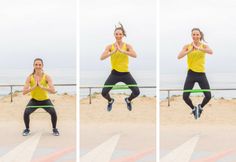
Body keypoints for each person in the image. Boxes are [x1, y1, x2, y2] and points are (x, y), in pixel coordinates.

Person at [100, 23, 140, 111]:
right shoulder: (110, 46)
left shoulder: (127, 46)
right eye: (116, 34)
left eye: (120, 34)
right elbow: (101, 58)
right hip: (114, 73)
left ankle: (128, 100)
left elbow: (135, 55)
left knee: (137, 92)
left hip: (125, 74)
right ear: (114, 35)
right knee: (104, 93)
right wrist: (112, 52)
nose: (118, 35)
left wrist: (122, 51)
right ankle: (110, 101)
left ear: (123, 35)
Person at [178, 28, 213, 119]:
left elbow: (211, 52)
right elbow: (179, 56)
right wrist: (189, 50)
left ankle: (200, 107)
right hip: (191, 74)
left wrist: (198, 48)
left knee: (208, 96)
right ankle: (194, 109)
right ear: (191, 36)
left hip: (201, 74)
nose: (195, 36)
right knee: (185, 96)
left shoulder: (204, 46)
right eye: (194, 34)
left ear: (200, 35)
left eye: (197, 34)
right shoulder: (187, 46)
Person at [22, 58, 59, 136]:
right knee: (26, 113)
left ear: (42, 66)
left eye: (39, 65)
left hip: (45, 100)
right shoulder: (30, 77)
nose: (38, 66)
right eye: (36, 64)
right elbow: (24, 92)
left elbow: (53, 90)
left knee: (53, 113)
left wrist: (42, 87)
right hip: (34, 100)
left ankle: (55, 129)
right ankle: (27, 129)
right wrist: (34, 87)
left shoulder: (47, 77)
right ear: (33, 66)